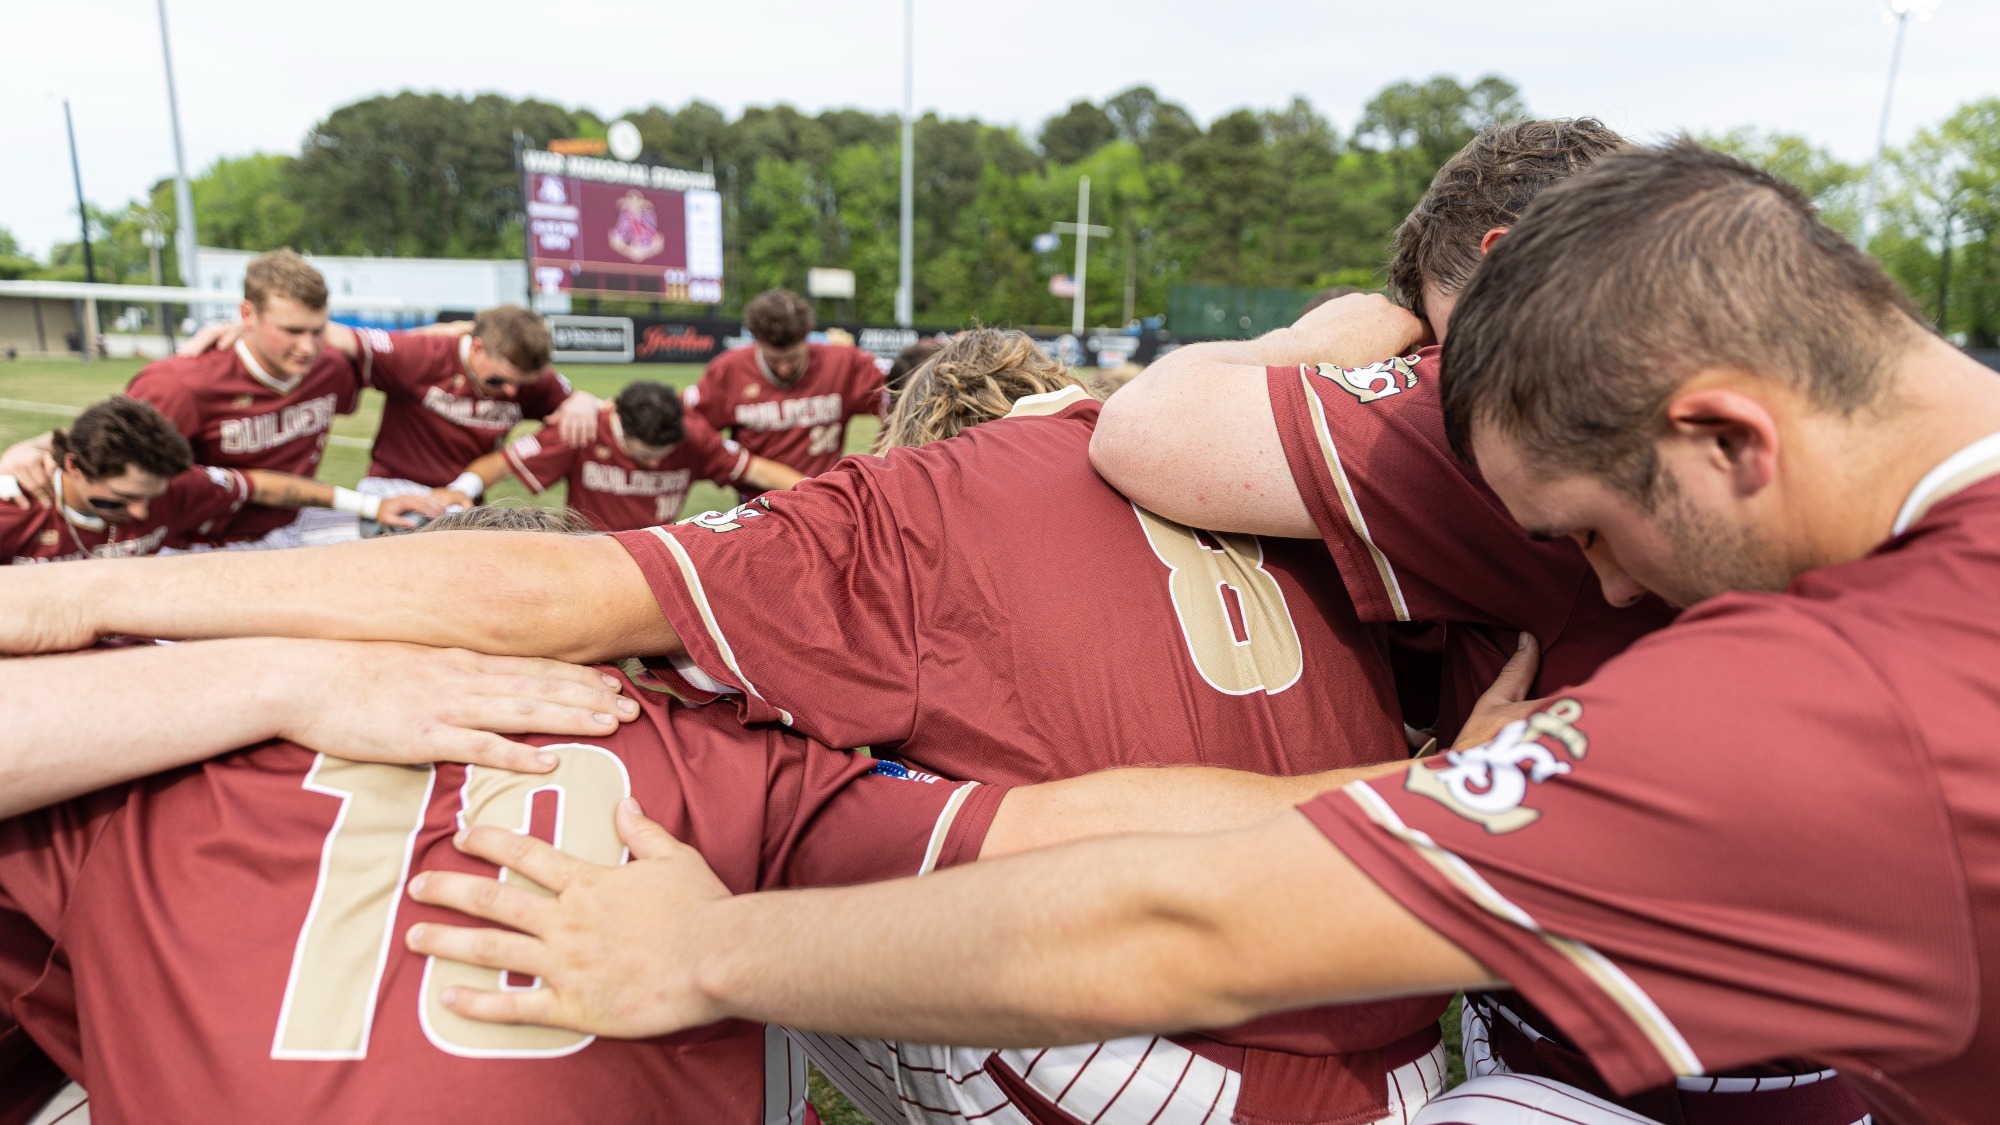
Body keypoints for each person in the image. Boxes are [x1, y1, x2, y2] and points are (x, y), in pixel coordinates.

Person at [397, 140, 2000, 1125]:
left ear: (1728, 435)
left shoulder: (1842, 699)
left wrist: (703, 949)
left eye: (1589, 533)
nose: (1614, 592)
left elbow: (1182, 922)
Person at [0, 251, 443, 547]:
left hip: (292, 522)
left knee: (420, 540)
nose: (307, 347)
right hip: (197, 544)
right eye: (290, 330)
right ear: (247, 314)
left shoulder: (330, 366)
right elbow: (111, 442)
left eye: (317, 330)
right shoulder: (182, 383)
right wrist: (35, 448)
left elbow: (435, 349)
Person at [0, 397, 429, 565]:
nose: (142, 513)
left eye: (151, 497)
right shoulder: (14, 508)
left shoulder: (178, 487)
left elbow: (261, 485)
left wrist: (371, 507)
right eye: (122, 500)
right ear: (74, 467)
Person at [445, 381, 803, 531]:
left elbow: (758, 470)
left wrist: (818, 491)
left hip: (655, 554)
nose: (652, 465)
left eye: (662, 455)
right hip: (587, 554)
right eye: (643, 455)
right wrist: (461, 488)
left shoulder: (695, 437)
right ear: (618, 423)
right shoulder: (583, 430)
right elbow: (500, 464)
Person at [685, 289, 885, 498]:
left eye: (792, 359)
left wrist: (879, 462)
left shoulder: (843, 363)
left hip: (824, 502)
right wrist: (733, 460)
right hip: (758, 506)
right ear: (757, 342)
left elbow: (899, 397)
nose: (784, 369)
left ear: (807, 339)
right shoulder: (729, 370)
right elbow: (689, 424)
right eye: (774, 360)